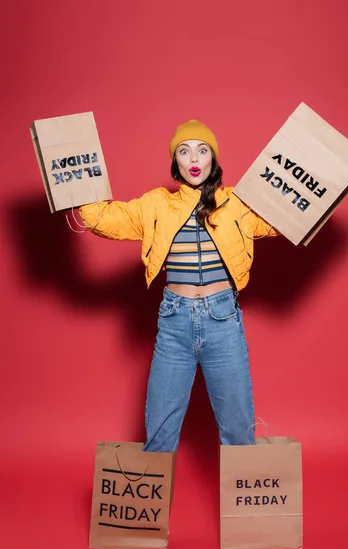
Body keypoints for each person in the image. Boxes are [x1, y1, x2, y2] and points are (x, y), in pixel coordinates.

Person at [78, 119, 279, 452]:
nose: (194, 159)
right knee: (159, 431)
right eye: (184, 152)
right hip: (174, 322)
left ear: (213, 158)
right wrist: (78, 186)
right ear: (176, 162)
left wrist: (322, 195)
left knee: (238, 429)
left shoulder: (237, 204)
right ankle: (150, 504)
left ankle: (242, 501)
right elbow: (104, 219)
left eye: (202, 150)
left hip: (222, 320)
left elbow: (283, 219)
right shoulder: (157, 204)